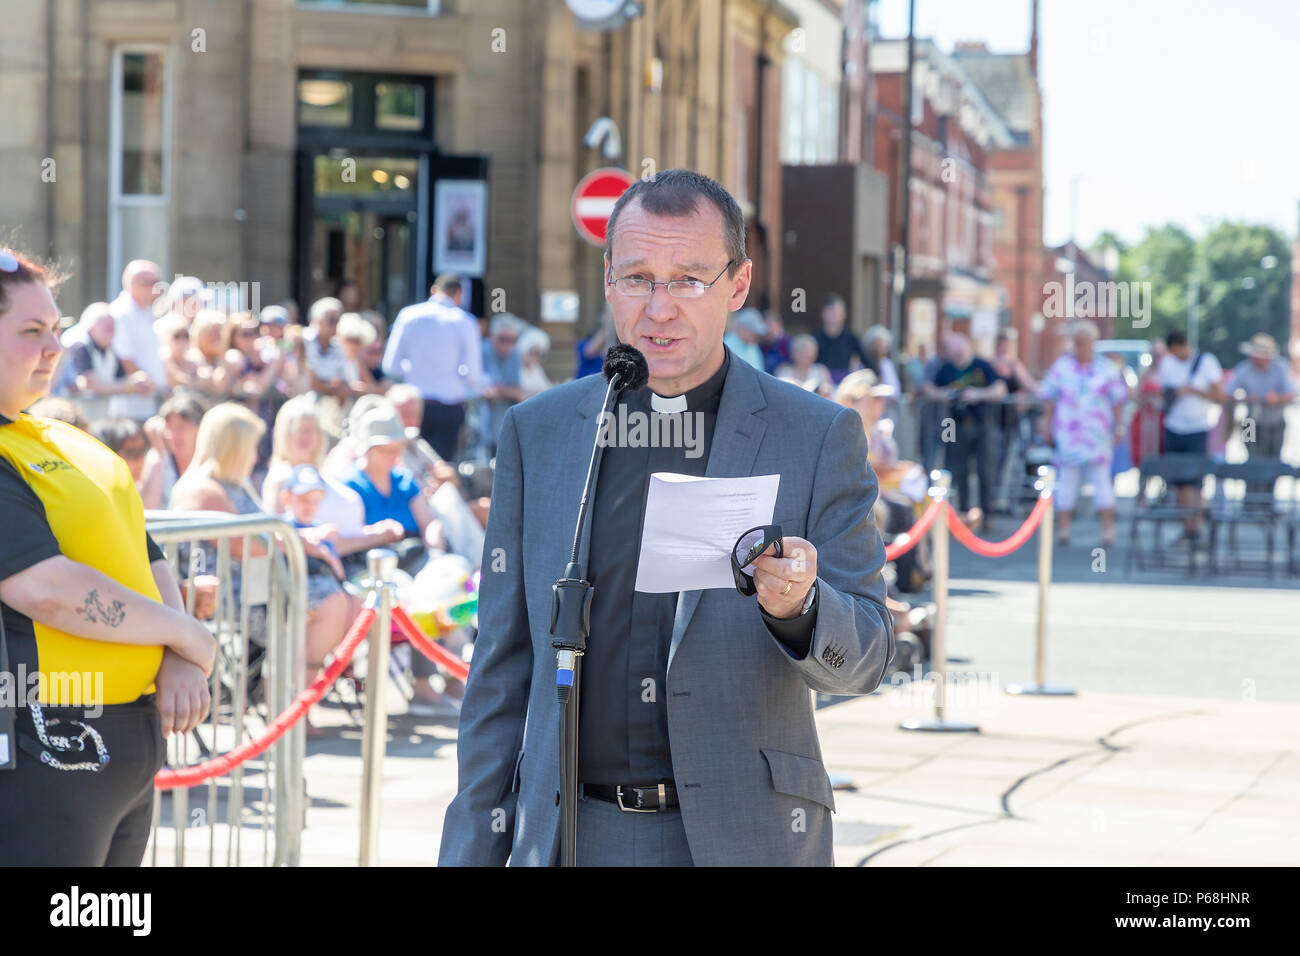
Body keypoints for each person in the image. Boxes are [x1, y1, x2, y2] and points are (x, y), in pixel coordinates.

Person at [439, 168, 893, 867]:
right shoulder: (541, 433)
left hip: (744, 837)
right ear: (608, 280)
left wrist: (802, 607)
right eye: (638, 278)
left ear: (738, 286)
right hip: (572, 837)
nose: (659, 307)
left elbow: (865, 660)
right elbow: (499, 672)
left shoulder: (816, 435)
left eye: (688, 280)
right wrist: (470, 851)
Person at [0, 246, 215, 865]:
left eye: (57, 330)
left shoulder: (61, 436)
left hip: (125, 746)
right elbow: (42, 586)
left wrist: (180, 652)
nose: (53, 347)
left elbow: (141, 549)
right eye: (32, 331)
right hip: (40, 746)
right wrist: (186, 634)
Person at [170, 402, 357, 709]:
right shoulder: (203, 491)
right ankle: (286, 704)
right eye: (251, 446)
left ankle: (292, 702)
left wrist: (302, 541)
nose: (256, 455)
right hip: (237, 598)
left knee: (351, 602)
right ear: (234, 447)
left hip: (260, 588)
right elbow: (251, 547)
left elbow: (265, 539)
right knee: (332, 604)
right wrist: (304, 542)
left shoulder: (230, 486)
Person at [261, 394, 405, 563]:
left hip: (350, 559)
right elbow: (279, 535)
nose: (306, 437)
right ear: (285, 434)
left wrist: (377, 532)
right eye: (300, 430)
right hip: (314, 568)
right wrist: (373, 537)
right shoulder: (281, 477)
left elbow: (341, 531)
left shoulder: (323, 474)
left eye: (312, 430)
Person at [1037, 321, 1129, 547]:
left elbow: (1118, 400)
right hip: (1069, 433)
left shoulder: (1106, 368)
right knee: (1067, 480)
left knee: (1101, 481)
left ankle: (1108, 530)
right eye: (1078, 343)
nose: (1081, 347)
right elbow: (1049, 396)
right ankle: (1064, 529)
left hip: (1097, 435)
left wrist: (1119, 426)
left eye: (1085, 343)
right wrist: (1047, 424)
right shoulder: (1062, 367)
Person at [382, 274, 483, 461]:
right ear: (459, 295)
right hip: (448, 407)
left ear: (433, 290)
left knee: (407, 465)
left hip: (411, 405)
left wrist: (414, 374)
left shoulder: (408, 315)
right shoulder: (465, 321)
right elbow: (473, 375)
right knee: (441, 469)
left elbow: (391, 365)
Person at [923, 332, 1006, 529]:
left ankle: (987, 514)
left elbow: (1000, 389)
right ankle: (963, 513)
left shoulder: (982, 365)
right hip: (952, 424)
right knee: (957, 469)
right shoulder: (945, 368)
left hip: (981, 422)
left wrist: (979, 394)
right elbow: (927, 388)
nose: (957, 356)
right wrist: (943, 394)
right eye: (954, 353)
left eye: (960, 352)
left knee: (985, 470)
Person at [1156, 329, 1224, 542]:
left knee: (1195, 481)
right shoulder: (1167, 364)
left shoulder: (1206, 362)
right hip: (1173, 428)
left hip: (1197, 429)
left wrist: (1193, 391)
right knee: (1179, 482)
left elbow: (1219, 396)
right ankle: (1189, 527)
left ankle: (1198, 525)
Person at [107, 259, 168, 421]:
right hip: (129, 407)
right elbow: (125, 357)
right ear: (133, 284)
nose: (157, 287)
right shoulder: (122, 313)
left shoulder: (147, 312)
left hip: (148, 403)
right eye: (151, 282)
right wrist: (154, 387)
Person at [1225, 333, 1294, 465]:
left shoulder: (1280, 368)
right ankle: (1252, 484)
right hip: (1249, 421)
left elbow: (1291, 395)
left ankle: (1268, 485)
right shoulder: (1244, 368)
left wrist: (1276, 399)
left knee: (1273, 460)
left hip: (1275, 422)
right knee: (1251, 457)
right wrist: (1246, 398)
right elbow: (1228, 392)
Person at [477, 313, 527, 457]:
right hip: (482, 419)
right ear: (492, 336)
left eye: (512, 339)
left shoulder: (515, 354)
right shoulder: (483, 351)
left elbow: (517, 392)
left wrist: (502, 390)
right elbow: (487, 391)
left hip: (504, 419)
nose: (507, 344)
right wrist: (505, 391)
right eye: (502, 339)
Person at [812, 294, 873, 385]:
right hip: (820, 385)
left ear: (844, 314)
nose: (834, 315)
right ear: (823, 313)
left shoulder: (852, 338)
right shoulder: (814, 339)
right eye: (830, 311)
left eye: (837, 312)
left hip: (845, 386)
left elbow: (867, 363)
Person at [303, 297, 350, 402]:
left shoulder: (338, 347)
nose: (335, 325)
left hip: (328, 402)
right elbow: (311, 383)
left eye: (338, 321)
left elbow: (342, 383)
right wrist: (332, 388)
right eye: (331, 320)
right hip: (303, 400)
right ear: (317, 320)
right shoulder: (302, 341)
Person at [517, 326, 553, 398]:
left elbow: (546, 387)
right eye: (534, 352)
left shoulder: (536, 368)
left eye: (541, 354)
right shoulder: (515, 367)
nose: (536, 358)